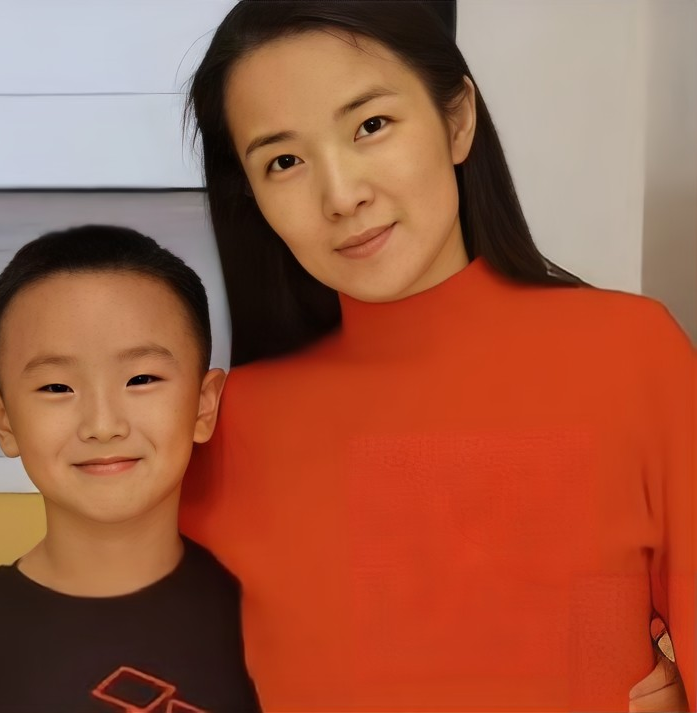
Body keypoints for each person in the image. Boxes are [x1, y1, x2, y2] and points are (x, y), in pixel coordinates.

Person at [178, 1, 696, 711]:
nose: (342, 195)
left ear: (457, 120)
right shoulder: (219, 429)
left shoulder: (628, 355)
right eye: (285, 161)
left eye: (371, 125)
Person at [0, 226, 260, 713]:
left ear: (203, 404)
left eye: (141, 378)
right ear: (3, 420)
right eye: (56, 388)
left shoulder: (268, 612)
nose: (102, 425)